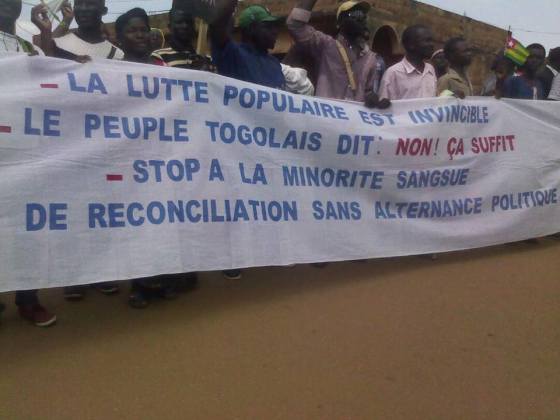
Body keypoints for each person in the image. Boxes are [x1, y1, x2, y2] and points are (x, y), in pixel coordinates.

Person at [0, 0, 57, 327]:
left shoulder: (25, 46)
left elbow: (49, 79)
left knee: (26, 226)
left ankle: (28, 299)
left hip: (24, 149)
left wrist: (45, 34)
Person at [287, 0, 388, 108]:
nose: (360, 19)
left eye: (363, 16)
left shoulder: (371, 59)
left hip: (353, 117)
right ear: (339, 24)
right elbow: (295, 25)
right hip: (326, 115)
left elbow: (369, 92)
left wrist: (373, 99)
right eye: (354, 15)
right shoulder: (325, 45)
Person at [210, 1, 285, 90]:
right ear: (250, 29)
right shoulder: (233, 54)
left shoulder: (274, 63)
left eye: (275, 27)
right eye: (268, 26)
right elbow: (218, 25)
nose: (275, 31)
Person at [378, 24, 437, 100]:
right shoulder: (393, 73)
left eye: (432, 41)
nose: (432, 45)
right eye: (427, 41)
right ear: (410, 45)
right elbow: (383, 104)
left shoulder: (430, 70)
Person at [52, 0, 124, 60]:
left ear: (104, 11)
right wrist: (66, 20)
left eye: (91, 4)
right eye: (78, 4)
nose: (83, 9)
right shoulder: (57, 44)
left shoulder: (117, 55)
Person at [152, 6, 214, 71]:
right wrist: (196, 72)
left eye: (189, 22)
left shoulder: (207, 60)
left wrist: (208, 71)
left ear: (194, 26)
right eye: (179, 22)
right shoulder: (158, 56)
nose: (185, 26)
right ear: (170, 27)